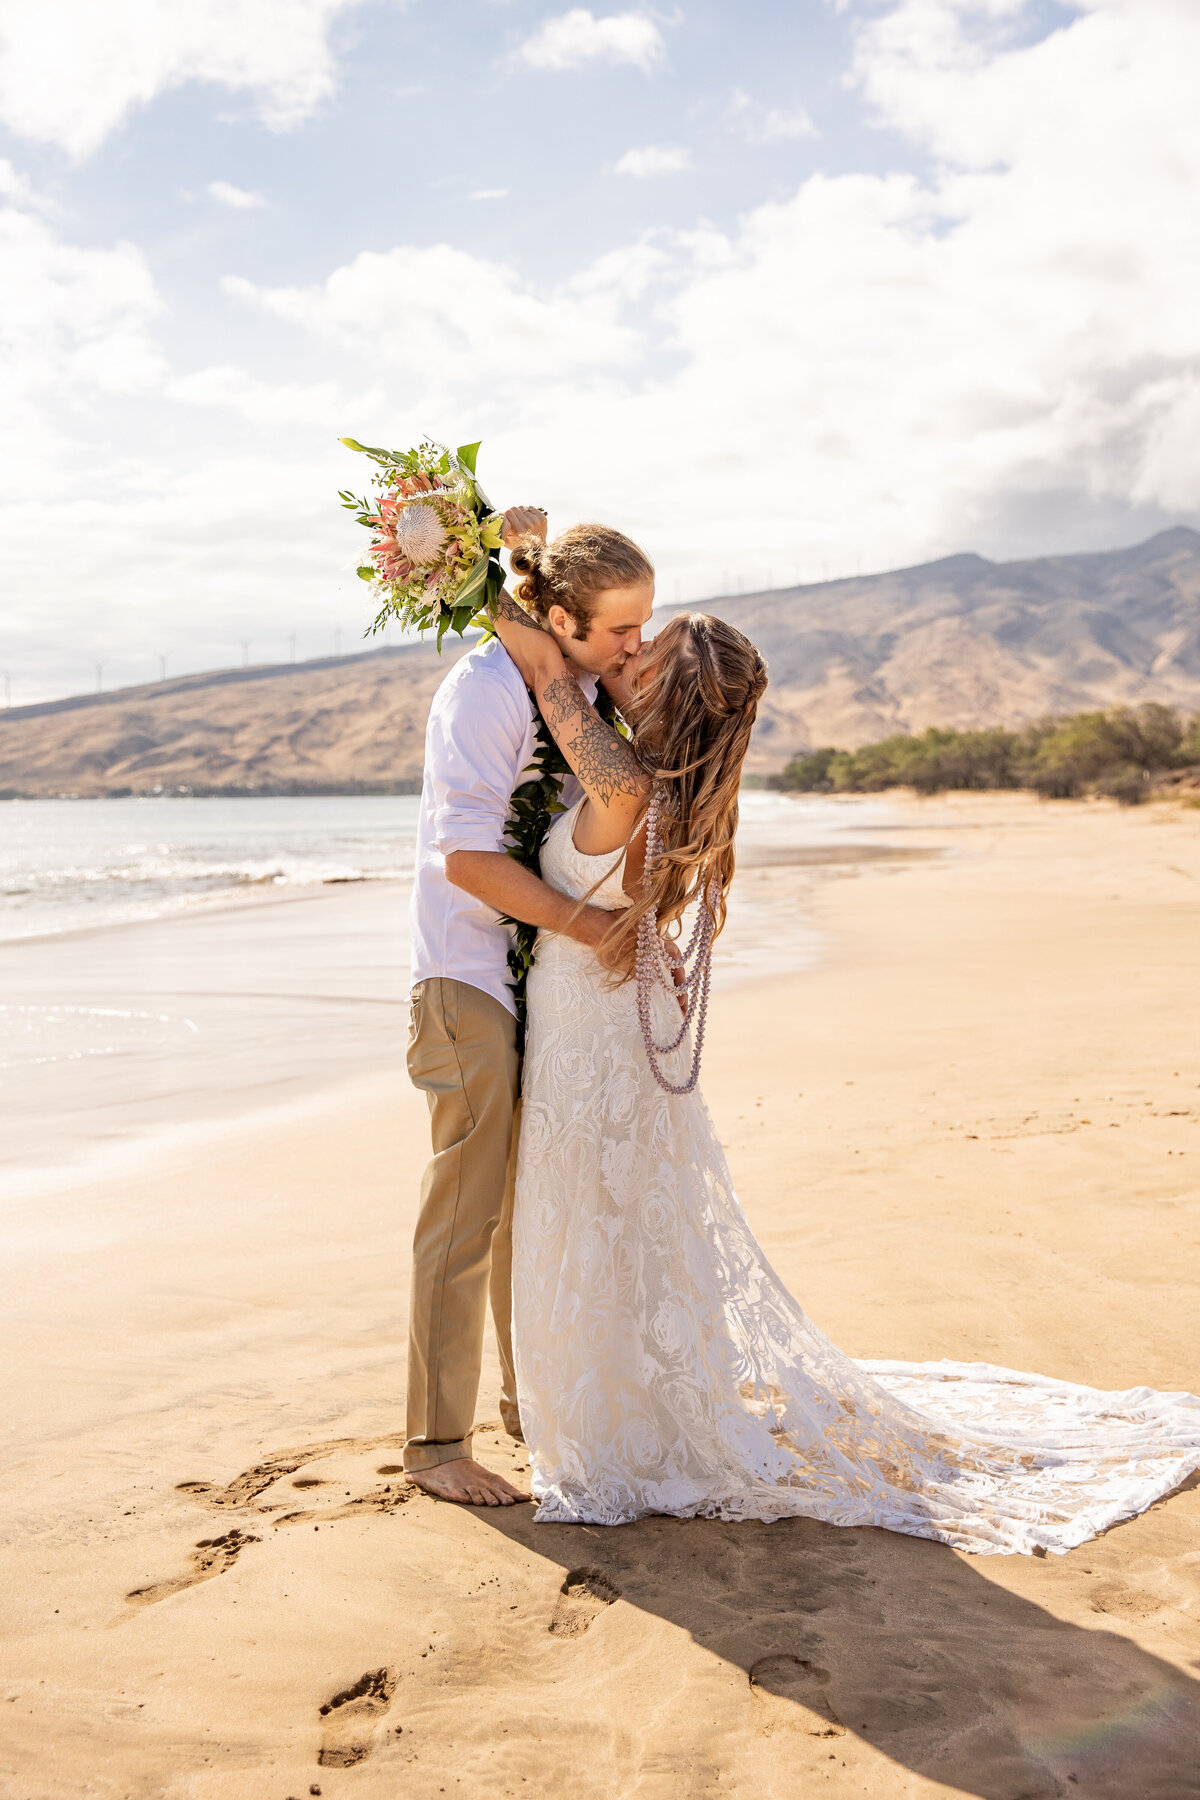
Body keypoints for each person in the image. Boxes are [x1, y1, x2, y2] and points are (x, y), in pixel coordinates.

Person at [490, 517, 1200, 1554]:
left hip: (587, 1042)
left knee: (600, 1227)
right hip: (603, 1036)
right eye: (632, 638)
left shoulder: (627, 781)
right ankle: (634, 1412)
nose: (630, 652)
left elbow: (547, 669)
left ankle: (618, 1432)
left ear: (673, 692)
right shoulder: (683, 791)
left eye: (652, 646)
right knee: (629, 1230)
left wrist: (487, 572)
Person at [403, 520, 654, 1505]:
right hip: (465, 972)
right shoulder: (483, 690)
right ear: (558, 619)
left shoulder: (583, 696)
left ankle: (531, 1404)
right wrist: (591, 930)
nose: (638, 644)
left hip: (538, 977)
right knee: (466, 1209)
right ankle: (434, 1446)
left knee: (530, 1207)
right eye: (621, 629)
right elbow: (463, 857)